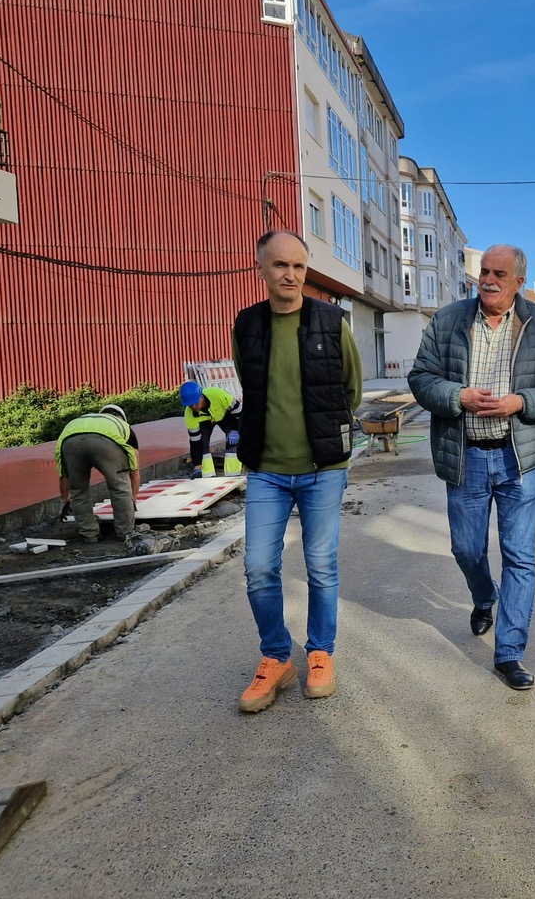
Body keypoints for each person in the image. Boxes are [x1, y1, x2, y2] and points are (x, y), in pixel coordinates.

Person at [408, 244, 535, 691]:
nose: (488, 280)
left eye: (499, 273)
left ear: (519, 281)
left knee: (520, 557)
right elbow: (420, 378)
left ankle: (509, 653)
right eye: (484, 271)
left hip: (519, 458)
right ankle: (484, 596)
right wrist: (457, 396)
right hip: (466, 457)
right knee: (466, 549)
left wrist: (522, 402)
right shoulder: (448, 320)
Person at [230, 229, 362, 714]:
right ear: (261, 268)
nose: (290, 274)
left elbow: (351, 389)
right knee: (259, 567)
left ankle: (320, 652)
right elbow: (250, 384)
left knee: (321, 565)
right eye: (280, 265)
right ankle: (276, 657)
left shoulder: (332, 322)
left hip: (323, 468)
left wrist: (323, 435)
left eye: (299, 266)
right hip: (266, 469)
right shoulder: (247, 324)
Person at [55, 403, 141, 543]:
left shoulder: (83, 420)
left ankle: (89, 534)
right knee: (119, 487)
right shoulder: (124, 427)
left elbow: (65, 476)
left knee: (78, 491)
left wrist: (64, 500)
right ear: (122, 418)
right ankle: (125, 532)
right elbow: (134, 473)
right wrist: (132, 500)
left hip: (70, 442)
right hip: (106, 442)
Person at [179, 381, 243, 477]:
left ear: (201, 396)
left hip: (226, 416)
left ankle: (233, 476)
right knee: (202, 443)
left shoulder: (218, 395)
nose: (194, 407)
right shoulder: (190, 415)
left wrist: (235, 429)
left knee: (233, 442)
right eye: (190, 405)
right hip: (205, 422)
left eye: (195, 403)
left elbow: (239, 410)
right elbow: (195, 442)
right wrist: (197, 465)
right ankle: (207, 476)